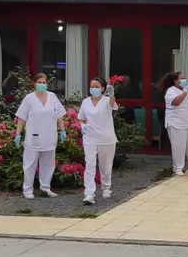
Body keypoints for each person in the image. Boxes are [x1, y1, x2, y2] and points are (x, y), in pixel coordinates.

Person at [14, 72, 68, 199]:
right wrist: (18, 134)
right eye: (39, 82)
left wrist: (62, 130)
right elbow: (22, 117)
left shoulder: (52, 97)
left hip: (50, 136)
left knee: (48, 163)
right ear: (34, 83)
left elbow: (59, 116)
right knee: (30, 164)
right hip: (34, 136)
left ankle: (45, 188)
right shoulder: (29, 99)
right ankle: (27, 189)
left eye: (44, 82)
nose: (42, 85)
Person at [77, 77, 118, 205]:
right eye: (92, 86)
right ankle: (89, 193)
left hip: (106, 138)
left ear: (102, 88)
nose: (93, 88)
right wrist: (82, 125)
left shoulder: (107, 100)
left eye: (97, 86)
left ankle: (106, 187)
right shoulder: (85, 102)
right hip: (90, 137)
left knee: (105, 165)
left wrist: (112, 94)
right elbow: (81, 118)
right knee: (90, 165)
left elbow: (113, 105)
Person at [162, 71, 188, 176]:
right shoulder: (171, 91)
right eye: (181, 78)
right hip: (176, 122)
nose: (184, 80)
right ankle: (178, 168)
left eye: (184, 78)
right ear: (175, 81)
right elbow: (176, 102)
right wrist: (184, 92)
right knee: (179, 147)